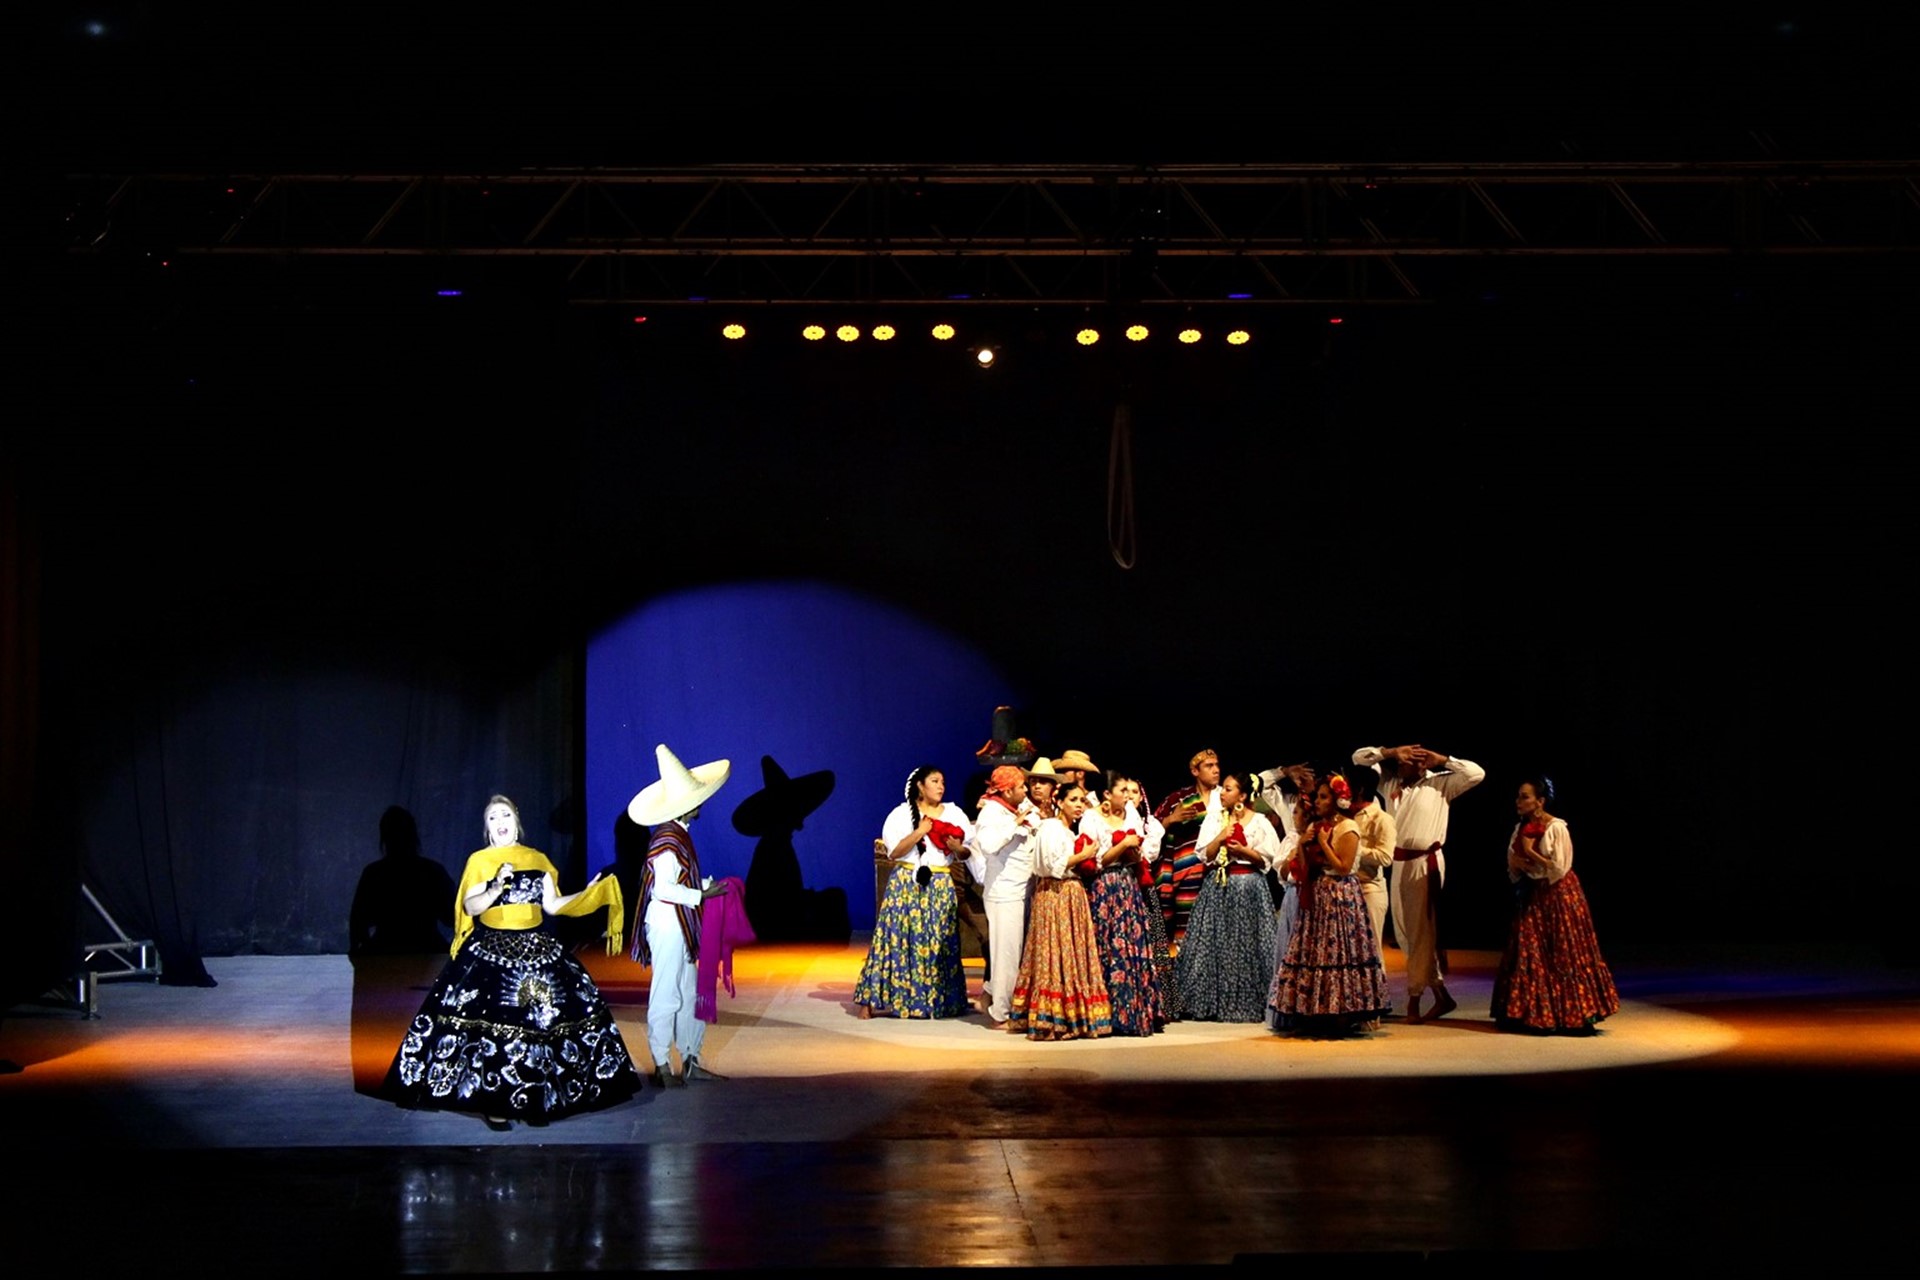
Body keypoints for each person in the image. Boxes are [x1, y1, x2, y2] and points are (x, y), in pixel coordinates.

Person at [383, 794, 638, 1127]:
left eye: (505, 815)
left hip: (537, 947)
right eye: (492, 818)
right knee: (494, 1027)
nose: (500, 822)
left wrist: (590, 894)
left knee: (545, 1021)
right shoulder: (480, 861)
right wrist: (493, 888)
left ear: (516, 821)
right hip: (490, 950)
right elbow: (470, 907)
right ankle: (495, 1102)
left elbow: (553, 905)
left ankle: (538, 1098)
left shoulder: (537, 858)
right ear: (487, 828)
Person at [1352, 743, 1485, 1022]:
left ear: (1423, 764)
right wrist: (1390, 753)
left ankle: (1414, 999)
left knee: (1420, 931)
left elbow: (1476, 773)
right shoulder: (1390, 783)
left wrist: (1443, 759)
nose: (1402, 762)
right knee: (1404, 932)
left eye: (1409, 759)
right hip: (1399, 862)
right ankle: (1441, 995)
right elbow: (1359, 759)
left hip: (1424, 862)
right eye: (1402, 758)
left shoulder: (1440, 784)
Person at [628, 743, 734, 1087]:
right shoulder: (668, 841)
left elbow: (676, 882)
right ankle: (661, 1063)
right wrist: (700, 894)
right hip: (668, 923)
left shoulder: (677, 836)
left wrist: (703, 886)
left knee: (689, 992)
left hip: (680, 923)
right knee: (667, 992)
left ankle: (690, 1058)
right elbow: (663, 889)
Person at [1490, 776, 1619, 1033]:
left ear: (1540, 801)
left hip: (1558, 895)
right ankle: (1531, 1014)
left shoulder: (1556, 827)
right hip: (1533, 894)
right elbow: (1512, 862)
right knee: (1530, 951)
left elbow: (1559, 867)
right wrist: (1521, 864)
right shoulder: (1520, 828)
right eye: (1518, 796)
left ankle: (1572, 1014)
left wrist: (1531, 857)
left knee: (1563, 951)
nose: (1518, 801)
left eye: (1525, 797)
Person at [1269, 774, 1391, 1036]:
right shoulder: (1316, 826)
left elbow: (1344, 867)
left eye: (1324, 797)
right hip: (1317, 895)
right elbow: (1303, 868)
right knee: (1316, 953)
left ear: (1337, 800)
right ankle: (1316, 1011)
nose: (1318, 801)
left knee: (1339, 954)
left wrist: (1324, 843)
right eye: (1318, 796)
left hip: (1340, 896)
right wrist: (1302, 844)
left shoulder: (1348, 827)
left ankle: (1343, 1013)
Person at [853, 765, 973, 1019]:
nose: (941, 786)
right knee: (894, 939)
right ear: (920, 785)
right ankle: (872, 1000)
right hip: (906, 884)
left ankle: (935, 1001)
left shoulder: (954, 813)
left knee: (938, 943)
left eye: (943, 782)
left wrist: (957, 848)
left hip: (940, 885)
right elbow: (893, 852)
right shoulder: (901, 814)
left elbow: (966, 853)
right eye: (935, 781)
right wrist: (919, 832)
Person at [1175, 770, 1281, 1022]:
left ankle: (1253, 1002)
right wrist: (1221, 837)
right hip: (1219, 887)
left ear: (1242, 795)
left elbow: (1268, 860)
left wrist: (1244, 850)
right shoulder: (1215, 819)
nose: (1222, 793)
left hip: (1249, 888)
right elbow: (1204, 855)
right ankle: (1208, 1003)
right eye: (1223, 788)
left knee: (1248, 946)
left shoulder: (1260, 822)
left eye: (1229, 789)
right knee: (1214, 944)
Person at [1010, 783, 1113, 1040]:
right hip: (1054, 894)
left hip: (1072, 894)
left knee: (1071, 953)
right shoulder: (1050, 828)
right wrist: (1083, 855)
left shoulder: (1069, 832)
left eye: (1082, 800)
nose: (1078, 805)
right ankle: (1052, 1016)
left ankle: (1073, 1013)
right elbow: (1049, 866)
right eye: (1073, 799)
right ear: (1060, 801)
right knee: (1054, 952)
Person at [1077, 772, 1167, 1035]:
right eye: (1123, 791)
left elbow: (1141, 853)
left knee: (1131, 943)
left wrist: (1133, 851)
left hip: (1128, 884)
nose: (1128, 796)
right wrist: (1123, 844)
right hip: (1105, 885)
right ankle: (1106, 1013)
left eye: (1130, 791)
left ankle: (1135, 1010)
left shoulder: (1132, 816)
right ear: (1107, 794)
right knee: (1108, 943)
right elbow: (1095, 861)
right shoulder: (1091, 818)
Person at [966, 764, 1038, 1027]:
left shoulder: (1015, 807)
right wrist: (1014, 825)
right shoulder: (991, 813)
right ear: (1007, 791)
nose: (1026, 791)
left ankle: (990, 996)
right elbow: (988, 845)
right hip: (1004, 892)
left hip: (1021, 889)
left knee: (1012, 952)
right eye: (1021, 787)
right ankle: (1001, 1013)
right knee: (1006, 955)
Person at [1151, 748, 1223, 951]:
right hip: (1186, 876)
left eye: (1217, 765)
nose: (1216, 770)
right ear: (1195, 771)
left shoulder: (1225, 797)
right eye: (1209, 766)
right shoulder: (1179, 799)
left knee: (1217, 930)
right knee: (1187, 934)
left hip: (1219, 873)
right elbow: (1151, 831)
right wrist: (1171, 819)